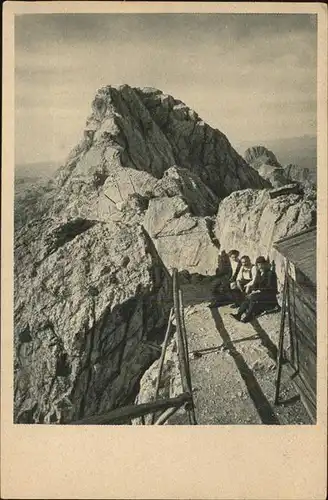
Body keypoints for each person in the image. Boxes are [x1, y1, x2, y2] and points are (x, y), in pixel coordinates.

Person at [230, 256, 278, 322]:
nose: (260, 266)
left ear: (265, 265)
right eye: (258, 265)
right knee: (248, 297)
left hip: (269, 295)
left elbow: (270, 287)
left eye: (261, 264)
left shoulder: (270, 274)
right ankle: (239, 314)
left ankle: (248, 316)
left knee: (253, 297)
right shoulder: (260, 273)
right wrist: (254, 290)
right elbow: (256, 284)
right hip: (262, 293)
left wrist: (258, 291)